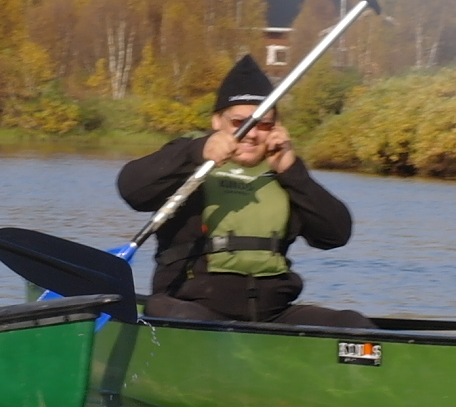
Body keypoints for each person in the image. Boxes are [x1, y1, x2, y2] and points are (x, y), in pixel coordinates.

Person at [117, 55, 367, 327]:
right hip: (190, 307)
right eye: (240, 123)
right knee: (180, 316)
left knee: (353, 324)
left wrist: (294, 173)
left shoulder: (286, 175)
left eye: (264, 125)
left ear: (276, 128)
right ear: (217, 121)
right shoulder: (187, 161)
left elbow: (336, 235)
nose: (251, 134)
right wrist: (196, 152)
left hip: (272, 314)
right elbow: (131, 189)